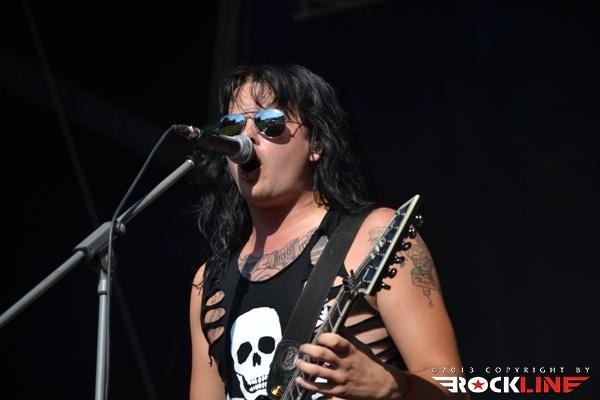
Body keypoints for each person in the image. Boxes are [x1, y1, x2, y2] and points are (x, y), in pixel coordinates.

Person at [189, 64, 468, 400]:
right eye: (232, 125)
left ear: (316, 144)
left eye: (268, 122)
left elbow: (454, 390)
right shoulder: (209, 283)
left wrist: (391, 387)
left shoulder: (374, 235)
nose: (245, 137)